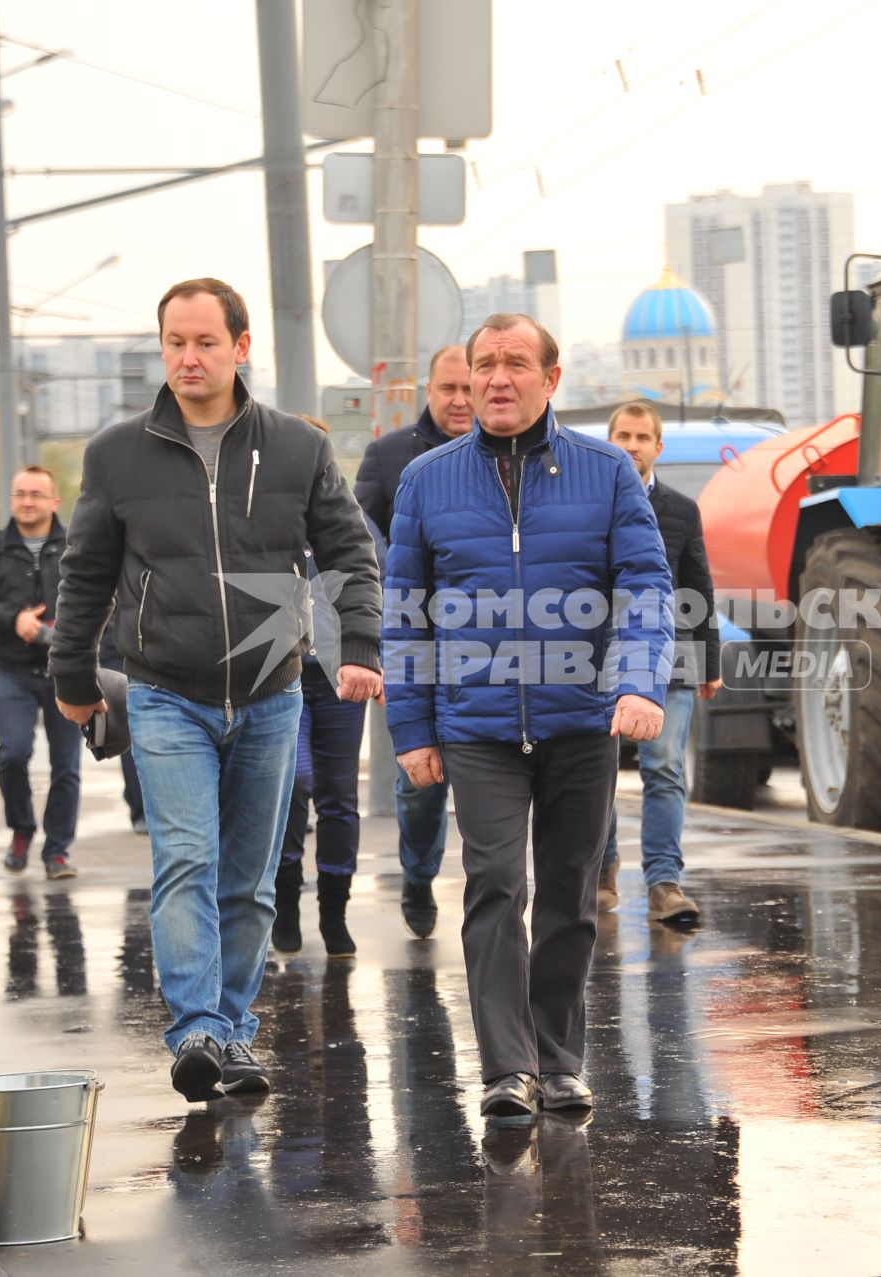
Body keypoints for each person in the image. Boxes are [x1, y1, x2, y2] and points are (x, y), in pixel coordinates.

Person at [50, 277, 383, 1102]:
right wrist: (72, 677)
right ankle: (194, 1024)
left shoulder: (298, 451)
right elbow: (85, 571)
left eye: (205, 342)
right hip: (165, 690)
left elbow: (348, 553)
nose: (188, 357)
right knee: (187, 858)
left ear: (241, 348)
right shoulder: (117, 453)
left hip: (272, 692)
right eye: (174, 342)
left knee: (248, 874)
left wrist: (360, 646)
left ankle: (232, 1031)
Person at [385, 313, 674, 1120]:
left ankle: (559, 1057)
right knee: (495, 884)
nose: (498, 378)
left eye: (517, 363)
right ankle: (507, 1068)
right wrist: (412, 729)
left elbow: (647, 587)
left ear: (552, 380)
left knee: (570, 895)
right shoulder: (427, 480)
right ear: (468, 378)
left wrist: (641, 681)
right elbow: (405, 612)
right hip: (476, 726)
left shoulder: (607, 471)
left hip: (582, 718)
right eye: (485, 365)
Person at [354, 343, 471, 939]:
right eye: (447, 388)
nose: (459, 400)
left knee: (490, 781)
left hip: (491, 645)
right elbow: (354, 547)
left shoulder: (515, 453)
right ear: (428, 391)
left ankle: (491, 894)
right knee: (420, 783)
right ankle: (419, 874)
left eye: (468, 388)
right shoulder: (389, 457)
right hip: (416, 646)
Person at [599, 401, 721, 926]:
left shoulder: (681, 509)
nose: (631, 445)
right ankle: (602, 872)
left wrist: (709, 661)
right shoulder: (586, 502)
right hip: (593, 660)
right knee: (595, 772)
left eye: (641, 437)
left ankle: (664, 883)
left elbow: (698, 587)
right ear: (610, 443)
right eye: (622, 435)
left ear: (657, 447)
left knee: (665, 769)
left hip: (668, 659)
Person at [0, 465, 80, 879]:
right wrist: (13, 620)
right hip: (12, 671)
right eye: (19, 494)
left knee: (67, 766)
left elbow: (105, 599)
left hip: (66, 672)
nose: (26, 502)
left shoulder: (78, 546)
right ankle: (21, 831)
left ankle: (57, 851)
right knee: (12, 754)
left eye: (36, 495)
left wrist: (71, 630)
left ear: (54, 503)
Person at [272, 414, 366, 959]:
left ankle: (335, 913)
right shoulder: (260, 517)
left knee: (339, 797)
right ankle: (286, 902)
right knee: (295, 785)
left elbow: (371, 589)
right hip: (278, 674)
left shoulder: (349, 520)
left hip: (339, 676)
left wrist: (367, 654)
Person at [97, 624, 145, 834]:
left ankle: (139, 801)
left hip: (153, 641)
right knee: (131, 729)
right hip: (114, 642)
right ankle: (140, 808)